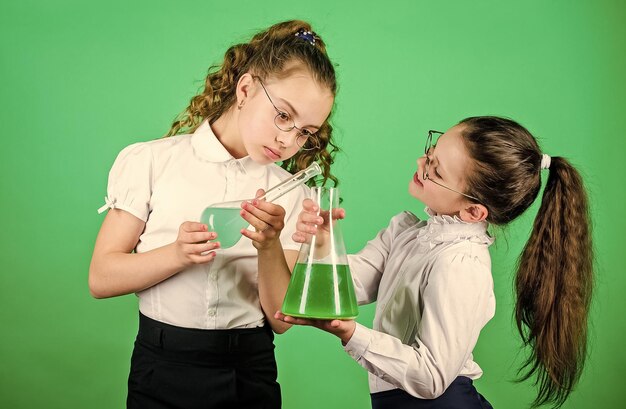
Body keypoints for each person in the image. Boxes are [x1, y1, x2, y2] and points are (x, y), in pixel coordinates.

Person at [89, 20, 338, 409]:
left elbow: (280, 321)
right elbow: (101, 277)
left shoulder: (290, 194)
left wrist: (269, 244)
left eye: (305, 132)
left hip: (249, 370)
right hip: (162, 365)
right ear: (245, 89)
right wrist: (177, 253)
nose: (288, 140)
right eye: (283, 116)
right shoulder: (153, 161)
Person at [273, 116, 593, 409]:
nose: (420, 163)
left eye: (436, 170)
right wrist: (325, 240)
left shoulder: (461, 265)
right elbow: (348, 288)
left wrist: (351, 333)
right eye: (431, 152)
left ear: (472, 212)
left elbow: (431, 378)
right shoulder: (409, 233)